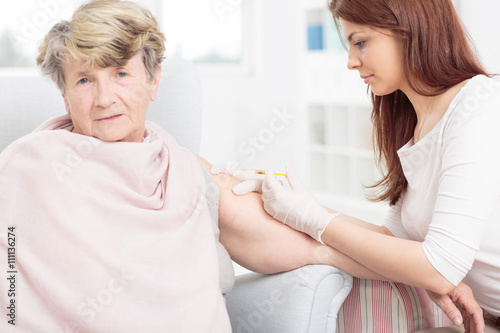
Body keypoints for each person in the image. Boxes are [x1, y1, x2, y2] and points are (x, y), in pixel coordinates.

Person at [0, 1, 336, 332]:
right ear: (65, 95)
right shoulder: (25, 165)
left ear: (153, 79)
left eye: (120, 73)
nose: (104, 98)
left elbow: (317, 247)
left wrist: (327, 223)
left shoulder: (183, 169)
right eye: (85, 80)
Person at [217, 0, 500, 332]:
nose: (351, 62)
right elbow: (396, 238)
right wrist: (303, 207)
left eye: (360, 41)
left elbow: (439, 268)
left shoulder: (480, 107)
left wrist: (316, 222)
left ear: (410, 27)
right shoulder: (416, 122)